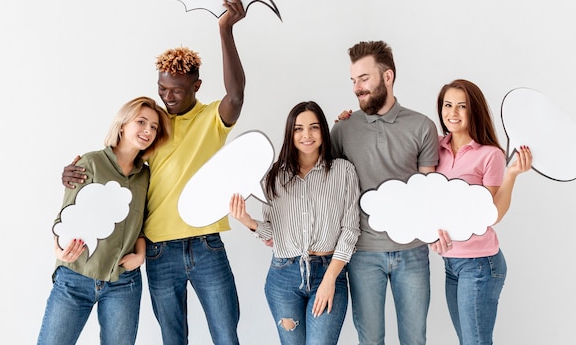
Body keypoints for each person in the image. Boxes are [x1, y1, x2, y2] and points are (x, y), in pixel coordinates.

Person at [61, 0, 247, 345]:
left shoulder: (211, 118)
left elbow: (236, 97)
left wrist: (225, 30)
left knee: (226, 335)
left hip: (207, 245)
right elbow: (118, 166)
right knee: (173, 338)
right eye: (162, 88)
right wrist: (73, 174)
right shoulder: (152, 127)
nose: (168, 97)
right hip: (161, 250)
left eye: (176, 90)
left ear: (196, 86)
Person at [330, 40, 440, 345]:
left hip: (413, 251)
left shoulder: (422, 126)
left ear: (387, 76)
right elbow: (329, 186)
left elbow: (428, 192)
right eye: (353, 81)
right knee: (371, 340)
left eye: (364, 79)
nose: (357, 88)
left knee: (414, 339)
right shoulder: (343, 129)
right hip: (362, 253)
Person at [38, 96, 171, 345]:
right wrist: (58, 247)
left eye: (154, 127)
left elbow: (140, 225)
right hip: (76, 275)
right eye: (141, 122)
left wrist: (140, 255)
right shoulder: (91, 163)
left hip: (124, 283)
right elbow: (66, 215)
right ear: (122, 125)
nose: (148, 131)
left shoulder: (146, 176)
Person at [228, 101, 360, 345]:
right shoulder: (274, 177)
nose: (306, 135)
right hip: (283, 276)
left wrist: (330, 278)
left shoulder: (344, 171)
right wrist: (248, 221)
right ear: (290, 133)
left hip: (328, 271)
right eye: (298, 129)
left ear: (323, 131)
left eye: (314, 127)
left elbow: (350, 230)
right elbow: (274, 234)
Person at [429, 79, 532, 345]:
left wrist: (511, 175)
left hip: (480, 264)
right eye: (448, 105)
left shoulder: (490, 154)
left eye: (462, 106)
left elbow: (493, 214)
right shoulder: (435, 147)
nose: (453, 113)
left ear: (474, 110)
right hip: (451, 263)